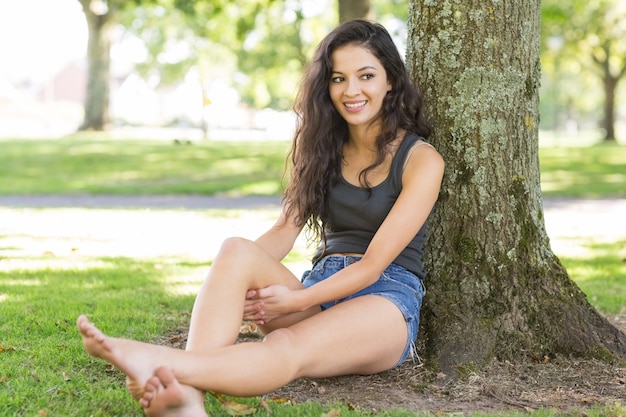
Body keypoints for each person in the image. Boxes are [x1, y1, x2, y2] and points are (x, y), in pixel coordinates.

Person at [77, 19, 444, 417]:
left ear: (391, 80)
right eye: (339, 78)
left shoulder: (421, 160)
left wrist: (296, 300)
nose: (351, 90)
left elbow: (373, 265)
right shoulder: (322, 147)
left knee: (285, 348)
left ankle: (159, 362)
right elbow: (285, 229)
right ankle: (187, 403)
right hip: (320, 287)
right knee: (235, 251)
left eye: (366, 76)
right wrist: (238, 280)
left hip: (384, 300)